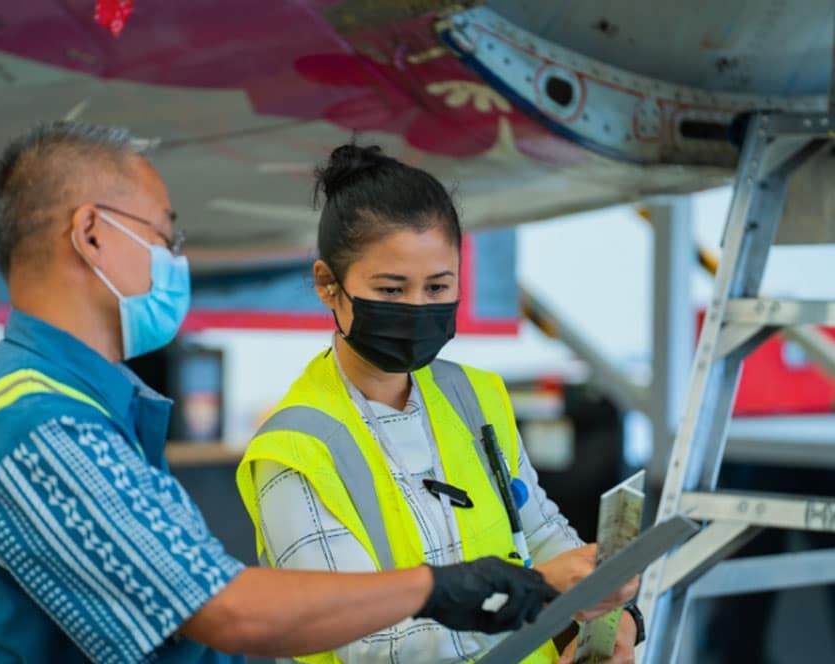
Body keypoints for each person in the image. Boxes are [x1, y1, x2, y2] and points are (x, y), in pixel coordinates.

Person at [0, 122, 560, 664]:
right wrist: (432, 587)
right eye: (166, 237)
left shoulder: (71, 408)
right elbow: (222, 610)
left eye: (437, 286)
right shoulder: (42, 427)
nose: (175, 260)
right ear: (91, 235)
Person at [236, 144, 643, 664]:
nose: (416, 309)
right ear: (327, 285)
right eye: (391, 288)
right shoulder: (295, 452)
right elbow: (366, 643)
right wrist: (538, 590)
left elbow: (539, 532)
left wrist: (609, 616)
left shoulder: (476, 395)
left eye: (437, 287)